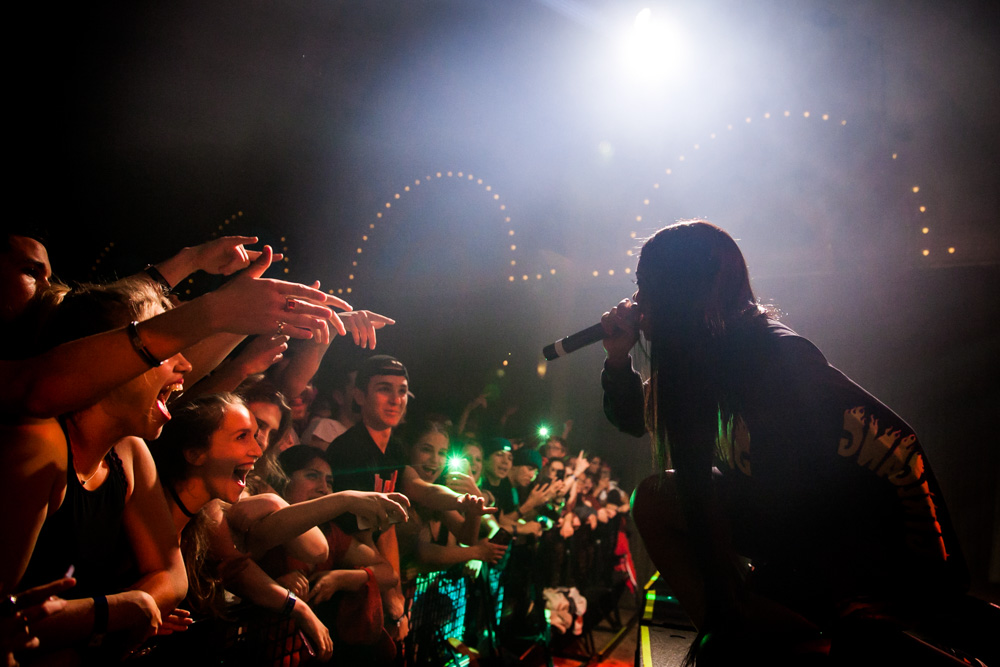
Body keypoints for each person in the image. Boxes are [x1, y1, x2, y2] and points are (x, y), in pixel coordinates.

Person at [600, 220, 970, 664]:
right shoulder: (702, 360)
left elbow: (831, 492)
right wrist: (619, 359)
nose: (637, 302)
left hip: (867, 535)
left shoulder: (774, 359)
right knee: (656, 499)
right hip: (796, 521)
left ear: (681, 289)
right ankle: (737, 632)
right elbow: (632, 419)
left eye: (646, 286)